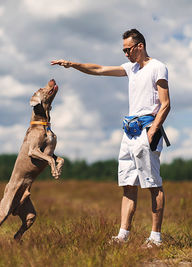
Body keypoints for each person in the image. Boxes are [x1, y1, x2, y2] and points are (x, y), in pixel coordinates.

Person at [51, 28, 170, 248]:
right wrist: (73, 64)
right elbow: (99, 69)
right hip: (129, 132)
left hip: (147, 130)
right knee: (128, 184)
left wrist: (153, 131)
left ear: (140, 46)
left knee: (153, 184)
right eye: (123, 50)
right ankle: (123, 235)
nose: (125, 54)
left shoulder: (158, 67)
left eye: (128, 50)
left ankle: (156, 238)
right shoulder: (131, 69)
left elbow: (165, 104)